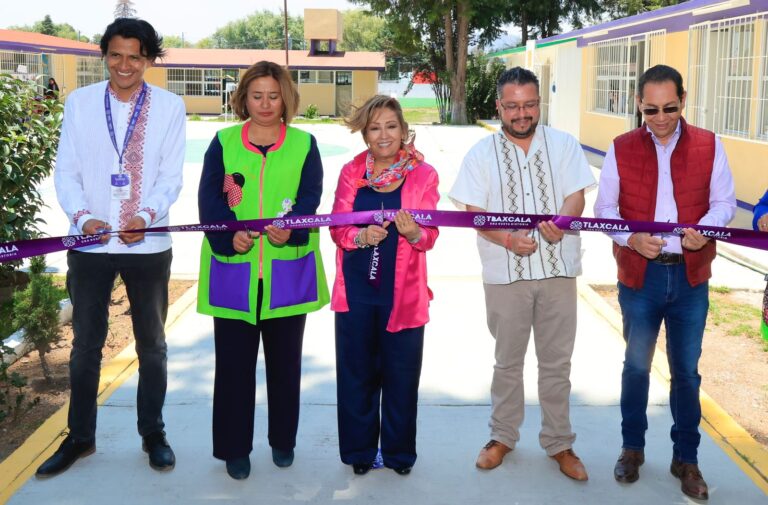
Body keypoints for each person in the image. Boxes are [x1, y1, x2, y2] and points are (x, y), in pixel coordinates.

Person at [38, 18, 185, 477]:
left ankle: (153, 433)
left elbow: (170, 174)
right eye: (116, 55)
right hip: (90, 245)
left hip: (148, 243)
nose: (125, 64)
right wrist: (84, 219)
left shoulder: (169, 107)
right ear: (104, 55)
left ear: (148, 60)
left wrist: (147, 215)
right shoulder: (80, 103)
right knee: (85, 346)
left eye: (135, 56)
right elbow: (67, 170)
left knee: (153, 345)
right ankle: (80, 438)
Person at [594, 64, 736, 501]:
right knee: (636, 368)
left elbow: (724, 203)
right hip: (641, 277)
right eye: (651, 109)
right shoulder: (620, 147)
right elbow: (605, 210)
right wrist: (631, 238)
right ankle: (632, 449)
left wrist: (706, 230)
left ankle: (686, 458)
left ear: (684, 100)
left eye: (669, 108)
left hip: (691, 278)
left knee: (686, 375)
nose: (659, 117)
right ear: (638, 103)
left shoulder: (710, 145)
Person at [449, 67, 594, 481]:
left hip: (558, 268)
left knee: (556, 363)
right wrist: (508, 240)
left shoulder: (563, 144)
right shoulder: (480, 153)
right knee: (507, 362)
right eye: (512, 106)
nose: (521, 113)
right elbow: (473, 213)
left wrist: (562, 224)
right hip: (504, 273)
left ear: (538, 103)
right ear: (498, 105)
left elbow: (576, 196)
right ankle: (502, 437)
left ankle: (560, 443)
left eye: (529, 104)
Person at [197, 60, 329, 480]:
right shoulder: (223, 142)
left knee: (285, 365)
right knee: (233, 367)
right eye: (257, 95)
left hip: (286, 274)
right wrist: (227, 238)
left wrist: (290, 234)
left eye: (274, 95)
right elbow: (210, 203)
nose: (266, 104)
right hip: (234, 272)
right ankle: (235, 448)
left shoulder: (305, 145)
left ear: (286, 98)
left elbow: (310, 201)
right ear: (243, 99)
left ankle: (282, 441)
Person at [330, 95, 439, 476]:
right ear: (364, 134)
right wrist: (359, 238)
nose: (383, 135)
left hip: (404, 296)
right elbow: (337, 226)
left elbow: (431, 237)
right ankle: (360, 453)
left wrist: (414, 233)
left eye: (391, 126)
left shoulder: (424, 175)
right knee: (356, 376)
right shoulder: (350, 171)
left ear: (404, 130)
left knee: (401, 378)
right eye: (374, 127)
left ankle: (398, 455)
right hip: (356, 293)